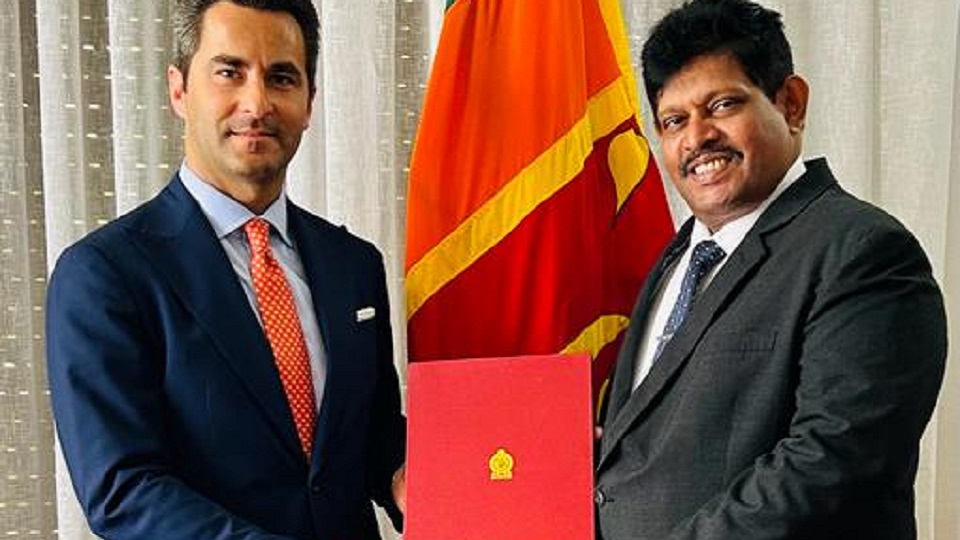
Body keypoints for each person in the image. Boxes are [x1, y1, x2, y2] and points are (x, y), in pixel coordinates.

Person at [45, 1, 406, 538]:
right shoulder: (103, 275)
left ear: (309, 101)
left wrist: (423, 481)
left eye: (281, 77)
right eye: (229, 72)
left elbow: (373, 437)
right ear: (179, 90)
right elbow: (124, 489)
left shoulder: (353, 265)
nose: (256, 103)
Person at [595, 0, 947, 538]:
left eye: (721, 105)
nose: (697, 137)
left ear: (791, 104)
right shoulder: (676, 259)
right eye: (674, 121)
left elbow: (831, 463)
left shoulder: (864, 252)